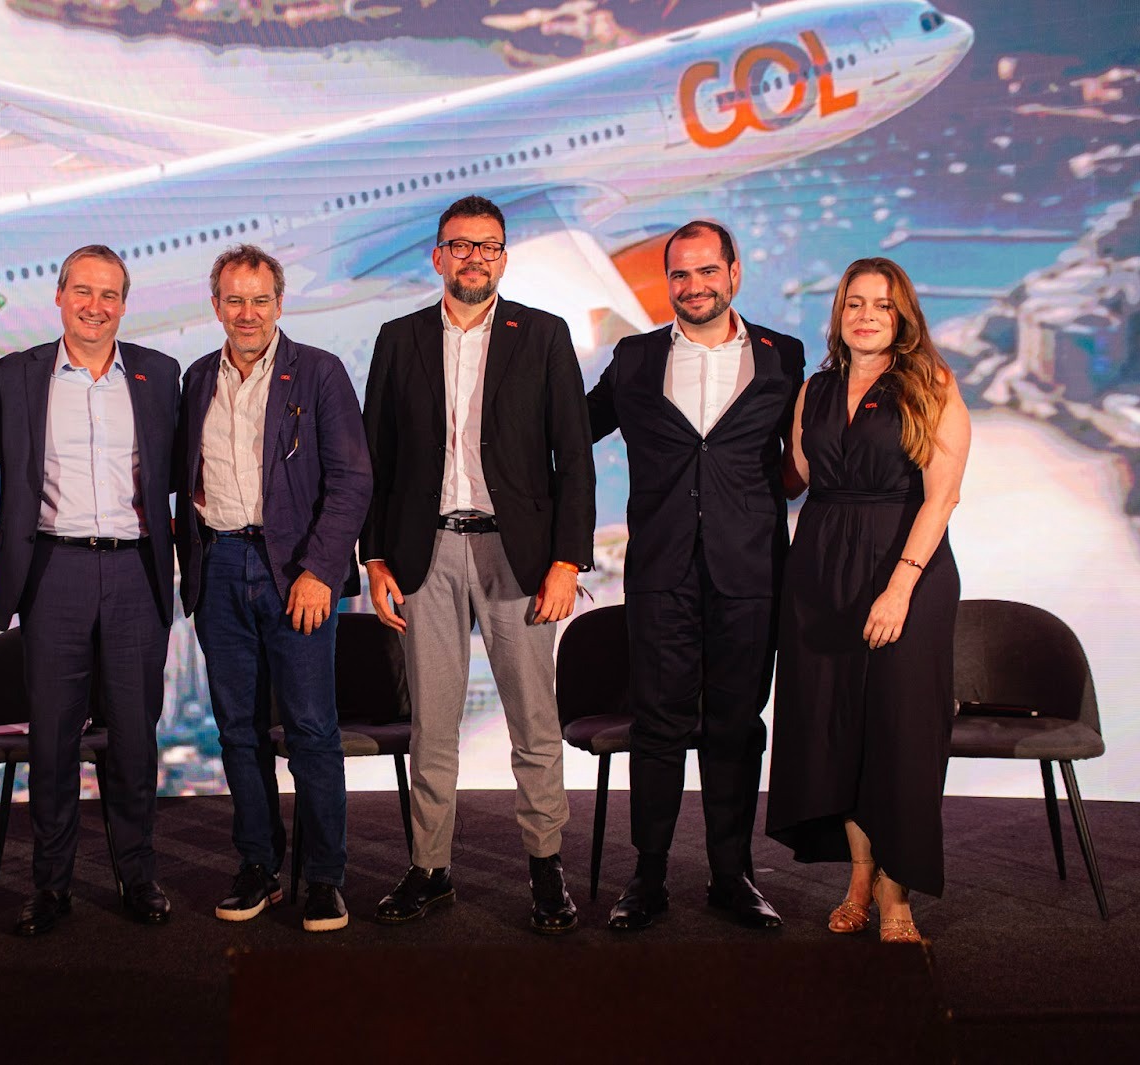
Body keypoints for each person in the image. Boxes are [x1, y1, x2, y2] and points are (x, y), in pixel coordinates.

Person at [362, 196, 594, 934]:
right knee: (432, 726)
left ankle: (546, 867)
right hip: (423, 551)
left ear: (504, 257)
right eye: (460, 246)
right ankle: (429, 869)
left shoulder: (544, 334)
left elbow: (574, 456)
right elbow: (375, 458)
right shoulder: (398, 338)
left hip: (517, 555)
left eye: (488, 246)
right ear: (438, 256)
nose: (474, 258)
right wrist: (374, 556)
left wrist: (567, 560)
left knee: (534, 721)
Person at [586, 219, 804, 932]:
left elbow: (806, 453)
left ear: (734, 273)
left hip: (752, 572)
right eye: (680, 273)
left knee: (737, 727)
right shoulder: (635, 357)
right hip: (662, 571)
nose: (694, 285)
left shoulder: (783, 356)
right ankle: (647, 875)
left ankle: (732, 875)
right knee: (657, 724)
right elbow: (571, 429)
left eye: (708, 271)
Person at [766, 257, 969, 943]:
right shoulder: (815, 389)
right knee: (837, 732)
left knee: (900, 734)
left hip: (905, 570)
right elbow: (793, 475)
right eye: (854, 303)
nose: (866, 316)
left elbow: (942, 497)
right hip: (821, 573)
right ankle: (858, 879)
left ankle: (896, 893)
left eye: (881, 305)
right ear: (839, 313)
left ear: (902, 315)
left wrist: (900, 587)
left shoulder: (931, 384)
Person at [176, 244, 371, 933]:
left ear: (280, 304)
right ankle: (258, 865)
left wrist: (320, 571)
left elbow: (352, 481)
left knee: (312, 730)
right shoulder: (197, 378)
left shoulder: (318, 372)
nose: (248, 313)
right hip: (220, 566)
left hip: (295, 572)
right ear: (216, 306)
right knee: (237, 730)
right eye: (235, 300)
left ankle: (323, 877)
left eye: (260, 300)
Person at [0, 245, 181, 934]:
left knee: (133, 737)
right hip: (54, 571)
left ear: (124, 304)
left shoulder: (159, 374)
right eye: (83, 291)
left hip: (135, 572)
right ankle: (51, 885)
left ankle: (138, 876)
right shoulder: (16, 375)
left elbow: (182, 472)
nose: (95, 306)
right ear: (60, 295)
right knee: (52, 741)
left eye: (109, 294)